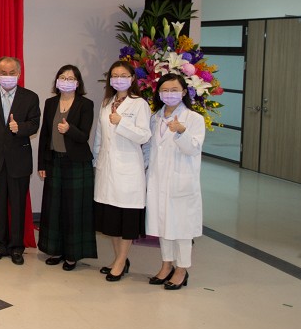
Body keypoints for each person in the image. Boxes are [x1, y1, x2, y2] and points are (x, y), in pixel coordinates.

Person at [0, 56, 41, 265]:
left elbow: (34, 124)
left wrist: (20, 128)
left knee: (18, 205)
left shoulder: (30, 97)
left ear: (19, 74)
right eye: (3, 73)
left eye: (12, 73)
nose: (8, 76)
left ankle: (17, 247)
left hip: (19, 160)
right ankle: (0, 245)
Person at [93, 60, 152, 282]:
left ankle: (120, 261)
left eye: (123, 75)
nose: (118, 79)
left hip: (128, 169)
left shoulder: (139, 104)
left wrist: (121, 123)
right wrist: (96, 161)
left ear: (132, 78)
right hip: (106, 168)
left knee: (126, 218)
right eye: (114, 76)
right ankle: (119, 258)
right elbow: (99, 135)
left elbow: (144, 135)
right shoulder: (107, 103)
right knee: (111, 219)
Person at [145, 73, 205, 291]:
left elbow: (194, 149)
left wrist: (182, 131)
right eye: (165, 90)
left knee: (181, 228)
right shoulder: (155, 118)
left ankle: (182, 269)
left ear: (184, 92)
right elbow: (149, 148)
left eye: (174, 90)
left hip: (181, 180)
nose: (169, 94)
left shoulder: (194, 119)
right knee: (163, 225)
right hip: (158, 179)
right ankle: (166, 265)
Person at [37, 65, 97, 270]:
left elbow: (84, 135)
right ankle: (55, 250)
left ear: (77, 83)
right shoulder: (50, 102)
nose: (66, 81)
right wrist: (42, 163)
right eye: (62, 77)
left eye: (70, 78)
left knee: (74, 209)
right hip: (54, 161)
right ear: (57, 81)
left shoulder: (85, 104)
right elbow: (45, 135)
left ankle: (72, 255)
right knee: (54, 208)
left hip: (77, 162)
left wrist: (69, 129)